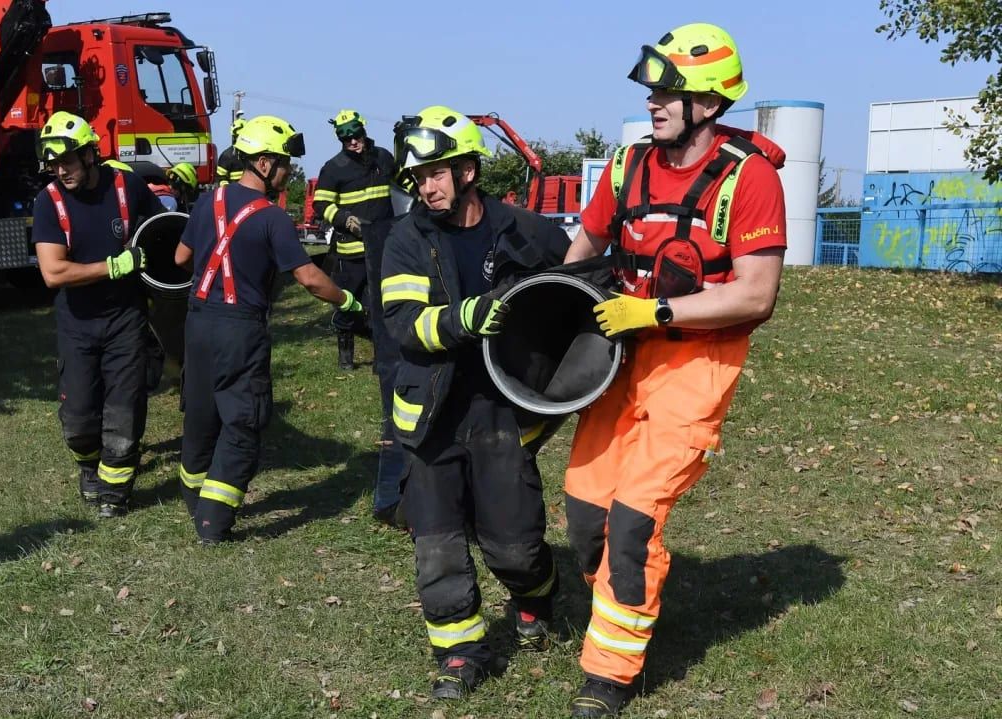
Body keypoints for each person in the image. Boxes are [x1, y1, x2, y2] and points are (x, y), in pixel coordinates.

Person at [561, 23, 787, 717]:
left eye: (669, 90)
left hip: (696, 362)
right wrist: (558, 321)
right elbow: (586, 244)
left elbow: (756, 292)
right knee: (584, 511)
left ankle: (609, 675)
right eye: (653, 89)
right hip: (619, 358)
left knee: (634, 518)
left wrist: (654, 313)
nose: (655, 101)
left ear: (709, 103)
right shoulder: (629, 165)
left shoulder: (749, 179)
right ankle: (621, 603)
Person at [381, 105, 571, 699]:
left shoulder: (523, 230)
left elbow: (570, 285)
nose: (426, 187)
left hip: (500, 412)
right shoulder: (406, 238)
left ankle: (535, 601)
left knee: (514, 544)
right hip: (433, 414)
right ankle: (460, 653)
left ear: (468, 170)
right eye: (418, 177)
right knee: (437, 545)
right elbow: (403, 324)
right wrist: (467, 317)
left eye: (436, 173)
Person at [174, 115, 365, 543]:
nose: (288, 171)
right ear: (262, 163)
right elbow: (310, 279)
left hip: (198, 323)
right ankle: (213, 521)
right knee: (243, 421)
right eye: (283, 163)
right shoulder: (272, 218)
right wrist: (349, 300)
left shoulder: (207, 202)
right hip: (240, 329)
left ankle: (193, 496)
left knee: (201, 415)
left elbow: (179, 258)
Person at [31, 111, 167, 518]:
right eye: (54, 164)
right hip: (78, 323)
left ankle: (116, 491)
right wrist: (112, 266)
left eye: (67, 161)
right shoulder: (48, 202)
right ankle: (89, 467)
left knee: (124, 408)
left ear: (90, 154)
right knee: (78, 418)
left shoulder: (127, 185)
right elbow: (53, 272)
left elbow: (163, 227)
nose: (60, 171)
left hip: (126, 318)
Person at [312, 109, 394, 371]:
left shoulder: (383, 157)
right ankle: (346, 357)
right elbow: (320, 203)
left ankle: (382, 359)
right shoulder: (334, 168)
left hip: (381, 247)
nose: (353, 143)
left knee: (380, 305)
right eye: (346, 140)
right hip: (350, 251)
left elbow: (405, 183)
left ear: (363, 131)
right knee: (347, 302)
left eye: (356, 136)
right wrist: (345, 219)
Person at [215, 116, 247, 185]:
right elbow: (221, 178)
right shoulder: (226, 156)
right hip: (233, 194)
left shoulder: (253, 154)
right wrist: (229, 191)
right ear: (235, 136)